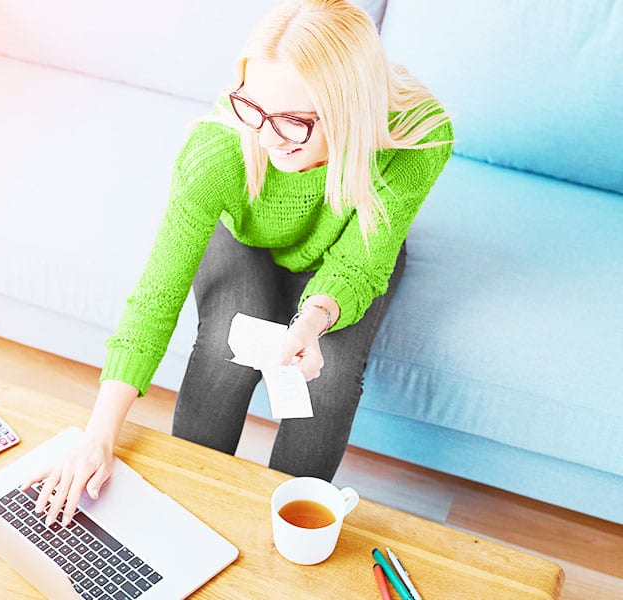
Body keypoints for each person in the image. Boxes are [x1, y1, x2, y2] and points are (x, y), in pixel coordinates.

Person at [25, 0, 453, 527]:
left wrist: (314, 318)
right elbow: (156, 297)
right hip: (245, 240)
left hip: (352, 250)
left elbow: (360, 262)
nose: (267, 137)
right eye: (253, 108)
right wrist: (97, 437)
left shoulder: (417, 135)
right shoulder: (220, 148)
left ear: (352, 110)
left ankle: (291, 523)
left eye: (294, 120)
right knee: (226, 350)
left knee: (331, 377)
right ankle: (184, 515)